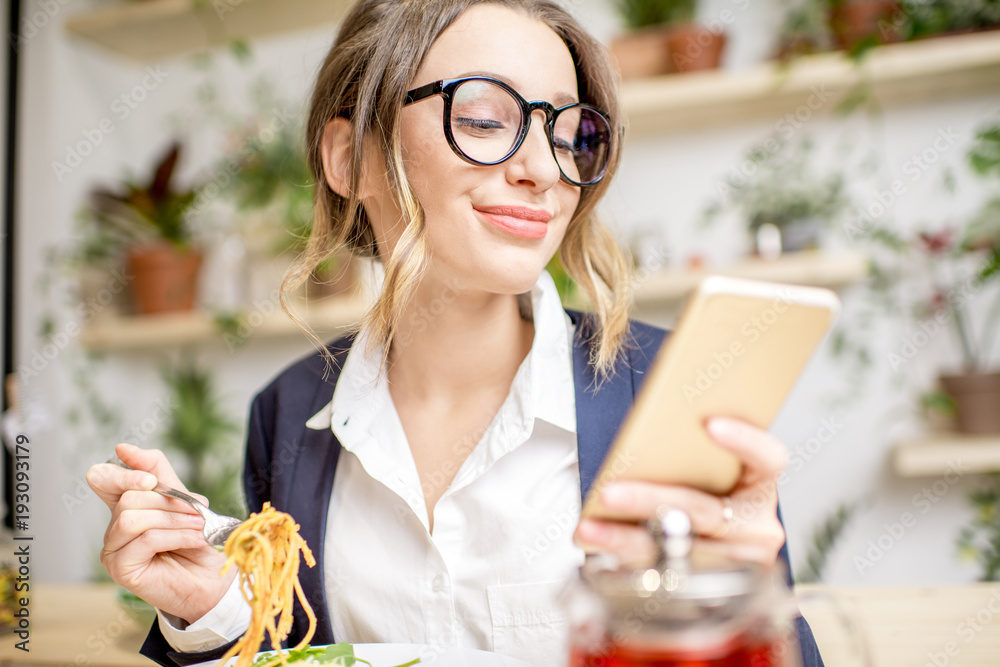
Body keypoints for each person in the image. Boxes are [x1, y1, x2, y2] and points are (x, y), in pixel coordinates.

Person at [87, 1, 825, 666]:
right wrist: (215, 610)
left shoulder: (671, 388)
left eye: (570, 133)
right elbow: (295, 652)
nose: (544, 169)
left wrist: (755, 614)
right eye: (482, 119)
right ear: (350, 159)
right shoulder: (286, 415)